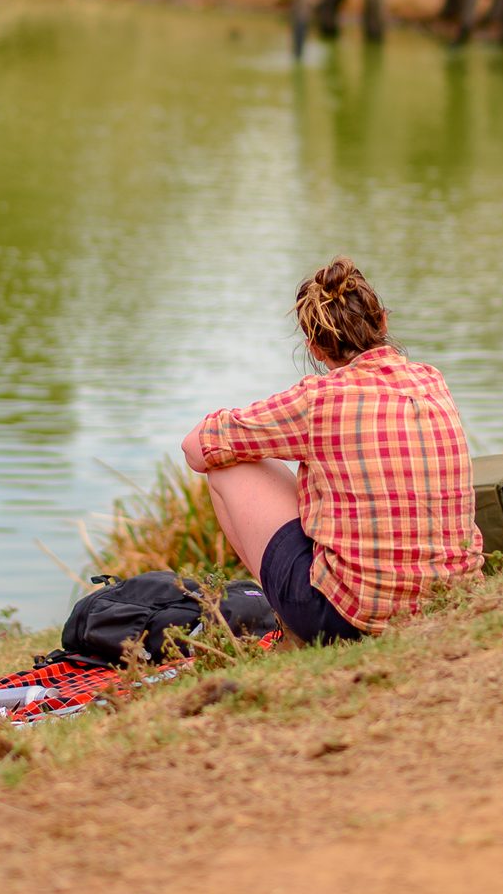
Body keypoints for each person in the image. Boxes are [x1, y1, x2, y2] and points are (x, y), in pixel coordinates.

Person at [182, 257, 483, 644]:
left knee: (230, 466)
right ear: (383, 322)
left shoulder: (317, 400)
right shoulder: (432, 380)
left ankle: (289, 623)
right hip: (455, 600)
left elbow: (195, 449)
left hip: (351, 619)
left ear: (315, 348)